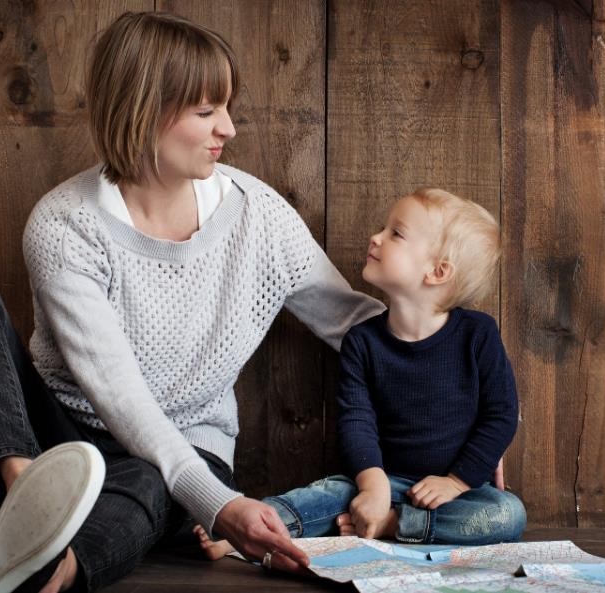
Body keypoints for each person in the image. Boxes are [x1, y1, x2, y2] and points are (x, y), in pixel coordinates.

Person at [0, 11, 385, 593]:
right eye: (207, 111)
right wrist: (224, 508)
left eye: (226, 109)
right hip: (60, 439)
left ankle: (48, 569)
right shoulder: (65, 225)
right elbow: (118, 394)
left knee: (144, 479)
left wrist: (467, 390)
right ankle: (28, 497)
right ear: (143, 110)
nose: (229, 130)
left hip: (188, 452)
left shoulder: (259, 217)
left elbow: (357, 323)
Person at [197, 188, 525, 559]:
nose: (376, 237)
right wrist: (372, 486)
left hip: (455, 493)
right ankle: (246, 530)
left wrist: (457, 481)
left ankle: (392, 525)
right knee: (324, 496)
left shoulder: (477, 334)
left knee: (507, 515)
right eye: (383, 228)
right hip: (383, 478)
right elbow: (357, 420)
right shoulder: (363, 342)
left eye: (395, 234)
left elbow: (500, 415)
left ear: (437, 271)